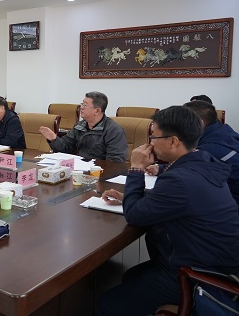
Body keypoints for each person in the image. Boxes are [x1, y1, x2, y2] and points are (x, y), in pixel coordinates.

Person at [97, 106, 239, 316]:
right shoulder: (204, 161)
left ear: (173, 141)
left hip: (197, 275)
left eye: (154, 137)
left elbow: (135, 216)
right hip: (216, 262)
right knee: (130, 276)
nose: (150, 142)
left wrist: (136, 168)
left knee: (107, 305)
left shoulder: (180, 179)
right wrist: (129, 197)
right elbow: (179, 200)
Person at [38, 91, 127, 162]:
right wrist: (54, 139)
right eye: (82, 104)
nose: (81, 107)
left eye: (85, 105)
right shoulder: (80, 126)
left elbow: (115, 162)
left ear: (97, 111)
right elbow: (65, 148)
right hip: (80, 169)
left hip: (99, 171)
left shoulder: (113, 130)